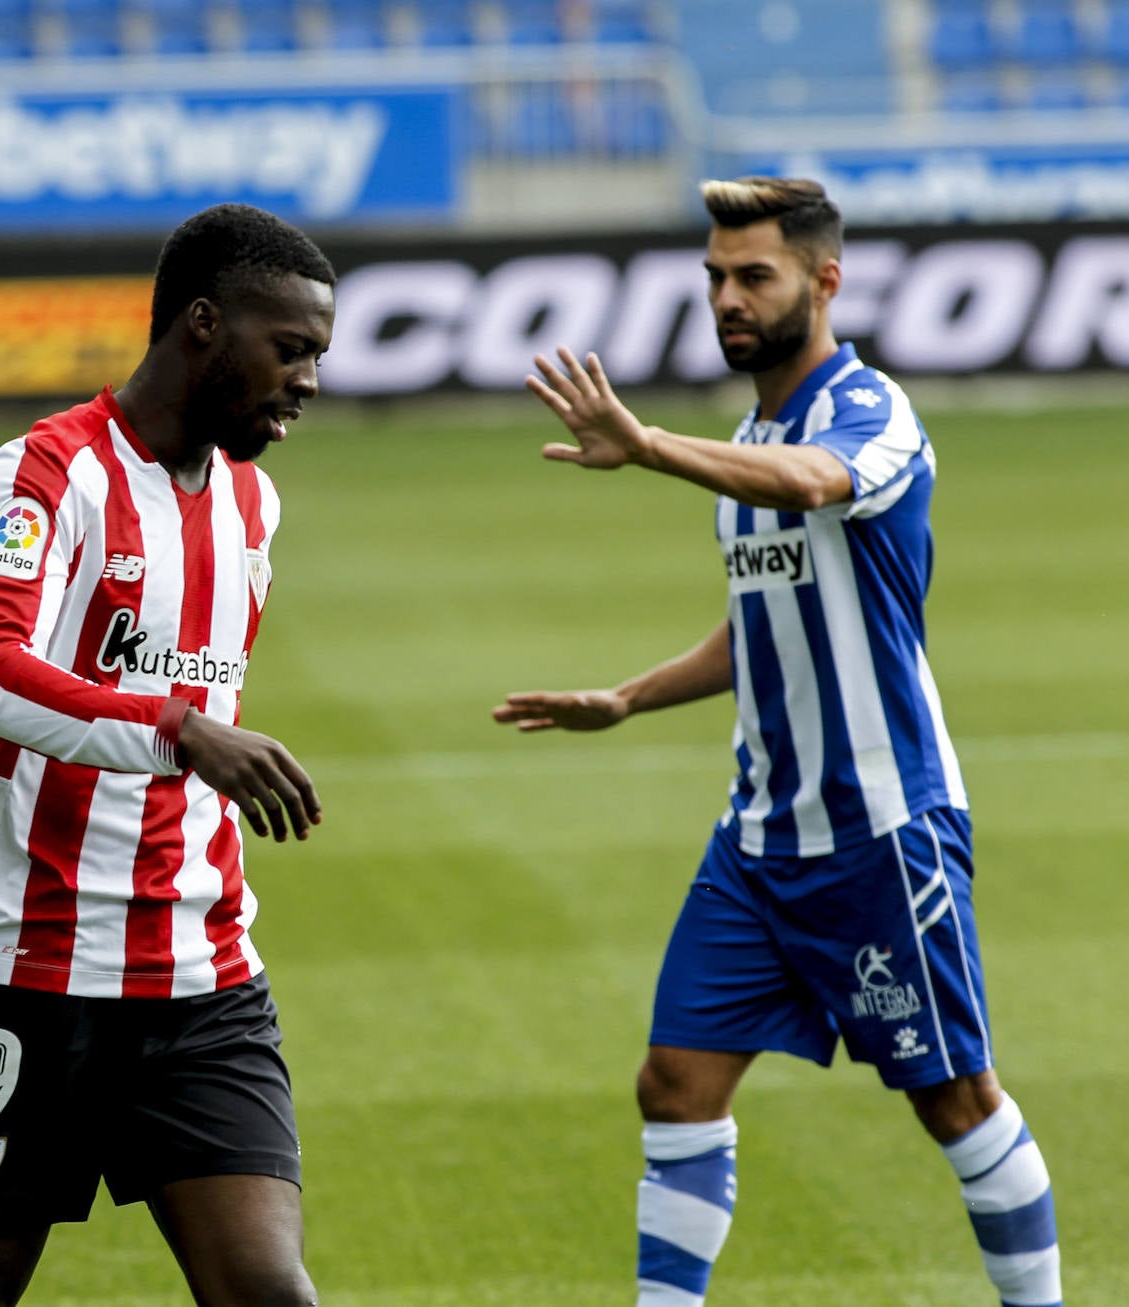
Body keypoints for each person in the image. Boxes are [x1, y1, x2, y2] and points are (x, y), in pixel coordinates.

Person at [493, 176, 1061, 1307]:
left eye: (754, 274)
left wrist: (647, 443)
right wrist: (628, 696)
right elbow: (764, 616)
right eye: (714, 277)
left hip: (881, 831)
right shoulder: (750, 436)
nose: (728, 297)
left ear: (824, 279)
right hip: (759, 838)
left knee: (955, 1098)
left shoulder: (869, 413)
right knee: (675, 1080)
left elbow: (820, 484)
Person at [0, 203, 336, 1307]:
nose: (309, 381)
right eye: (290, 349)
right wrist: (178, 729)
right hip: (25, 965)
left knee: (268, 1289)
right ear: (204, 323)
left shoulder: (254, 498)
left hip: (202, 971)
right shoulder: (48, 472)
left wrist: (192, 738)